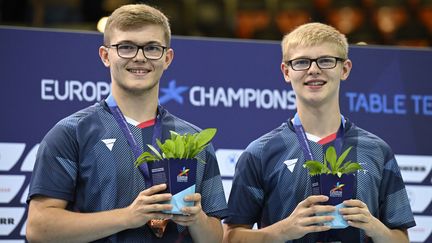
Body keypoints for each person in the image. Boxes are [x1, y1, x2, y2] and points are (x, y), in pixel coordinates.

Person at [26, 3, 228, 242]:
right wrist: (129, 216)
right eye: (126, 47)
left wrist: (197, 220)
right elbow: (39, 228)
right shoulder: (72, 133)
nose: (140, 57)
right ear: (105, 55)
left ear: (167, 58)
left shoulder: (194, 140)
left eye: (152, 48)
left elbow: (216, 237)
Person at [223, 22, 415, 243]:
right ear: (286, 72)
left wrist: (375, 228)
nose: (313, 70)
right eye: (302, 62)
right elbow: (231, 237)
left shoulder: (378, 151)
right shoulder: (260, 152)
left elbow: (401, 238)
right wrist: (284, 230)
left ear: (345, 69)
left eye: (325, 60)